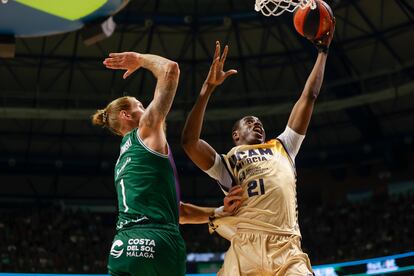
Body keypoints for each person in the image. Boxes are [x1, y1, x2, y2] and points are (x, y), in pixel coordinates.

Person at [181, 25, 335, 276]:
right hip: (246, 246)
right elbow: (189, 142)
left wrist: (323, 52)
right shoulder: (226, 162)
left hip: (285, 246)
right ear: (236, 135)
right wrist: (207, 89)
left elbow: (309, 96)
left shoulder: (284, 146)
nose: (257, 124)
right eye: (249, 122)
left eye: (260, 123)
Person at [92, 52, 243, 276]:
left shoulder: (121, 162)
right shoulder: (145, 131)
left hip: (122, 247)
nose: (147, 109)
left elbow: (178, 211)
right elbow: (170, 70)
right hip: (159, 241)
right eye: (141, 105)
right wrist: (140, 59)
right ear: (126, 115)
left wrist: (219, 212)